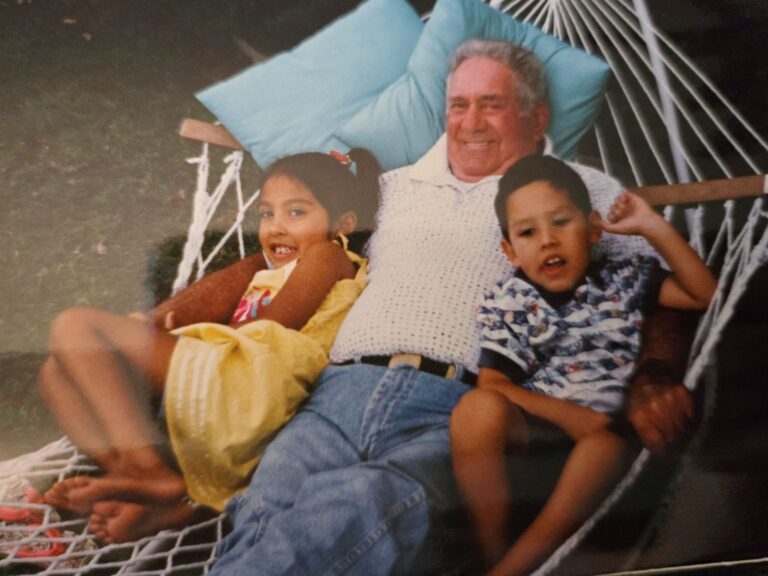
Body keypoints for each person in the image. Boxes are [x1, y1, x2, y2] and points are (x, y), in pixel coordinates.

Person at [205, 38, 697, 575]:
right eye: (459, 105)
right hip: (332, 398)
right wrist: (181, 310)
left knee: (362, 504)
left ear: (537, 117)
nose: (471, 121)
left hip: (451, 410)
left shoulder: (578, 192)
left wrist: (655, 374)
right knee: (261, 507)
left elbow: (653, 291)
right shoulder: (389, 189)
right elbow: (282, 257)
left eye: (492, 104)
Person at [37, 149, 380, 543]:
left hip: (253, 388)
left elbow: (271, 327)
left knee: (75, 325)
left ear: (343, 224)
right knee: (55, 373)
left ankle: (142, 468)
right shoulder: (267, 272)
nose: (277, 227)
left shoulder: (329, 255)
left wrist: (178, 341)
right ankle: (158, 493)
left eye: (297, 213)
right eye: (267, 214)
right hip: (230, 386)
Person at [450, 155, 716, 575]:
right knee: (475, 409)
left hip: (611, 453)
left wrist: (650, 224)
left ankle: (514, 569)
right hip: (543, 439)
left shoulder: (626, 280)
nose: (548, 241)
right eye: (528, 232)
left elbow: (704, 295)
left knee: (604, 447)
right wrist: (578, 420)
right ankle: (491, 550)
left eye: (561, 222)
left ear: (593, 228)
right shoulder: (510, 301)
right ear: (510, 251)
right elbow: (494, 385)